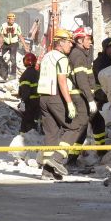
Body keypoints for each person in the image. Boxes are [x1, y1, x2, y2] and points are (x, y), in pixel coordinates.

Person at [37, 28, 81, 180]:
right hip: (55, 96)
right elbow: (61, 80)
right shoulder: (61, 58)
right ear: (61, 43)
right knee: (75, 126)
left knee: (52, 133)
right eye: (69, 42)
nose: (71, 45)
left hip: (42, 97)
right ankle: (57, 159)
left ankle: (47, 172)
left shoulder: (47, 56)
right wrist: (69, 103)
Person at [66, 27, 96, 164]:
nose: (90, 42)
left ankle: (72, 158)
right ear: (79, 40)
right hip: (79, 96)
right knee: (81, 126)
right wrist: (90, 100)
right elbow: (81, 80)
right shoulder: (78, 55)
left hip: (82, 95)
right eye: (88, 39)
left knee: (91, 124)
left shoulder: (81, 54)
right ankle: (67, 158)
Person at [91, 37, 111, 147]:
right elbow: (103, 77)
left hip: (107, 89)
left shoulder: (110, 60)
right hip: (100, 91)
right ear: (106, 48)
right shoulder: (99, 62)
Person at [0, 12, 28, 78]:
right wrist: (0, 46)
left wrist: (25, 46)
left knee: (12, 58)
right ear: (8, 19)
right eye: (12, 19)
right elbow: (1, 36)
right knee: (0, 58)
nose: (13, 21)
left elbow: (20, 36)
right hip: (6, 44)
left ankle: (13, 74)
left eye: (14, 20)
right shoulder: (3, 26)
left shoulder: (17, 26)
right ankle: (2, 73)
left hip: (14, 44)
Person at [17, 52, 40, 133]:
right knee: (35, 121)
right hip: (39, 101)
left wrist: (22, 102)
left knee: (26, 122)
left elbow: (25, 92)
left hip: (29, 102)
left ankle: (23, 138)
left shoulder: (25, 75)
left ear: (25, 62)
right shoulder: (38, 73)